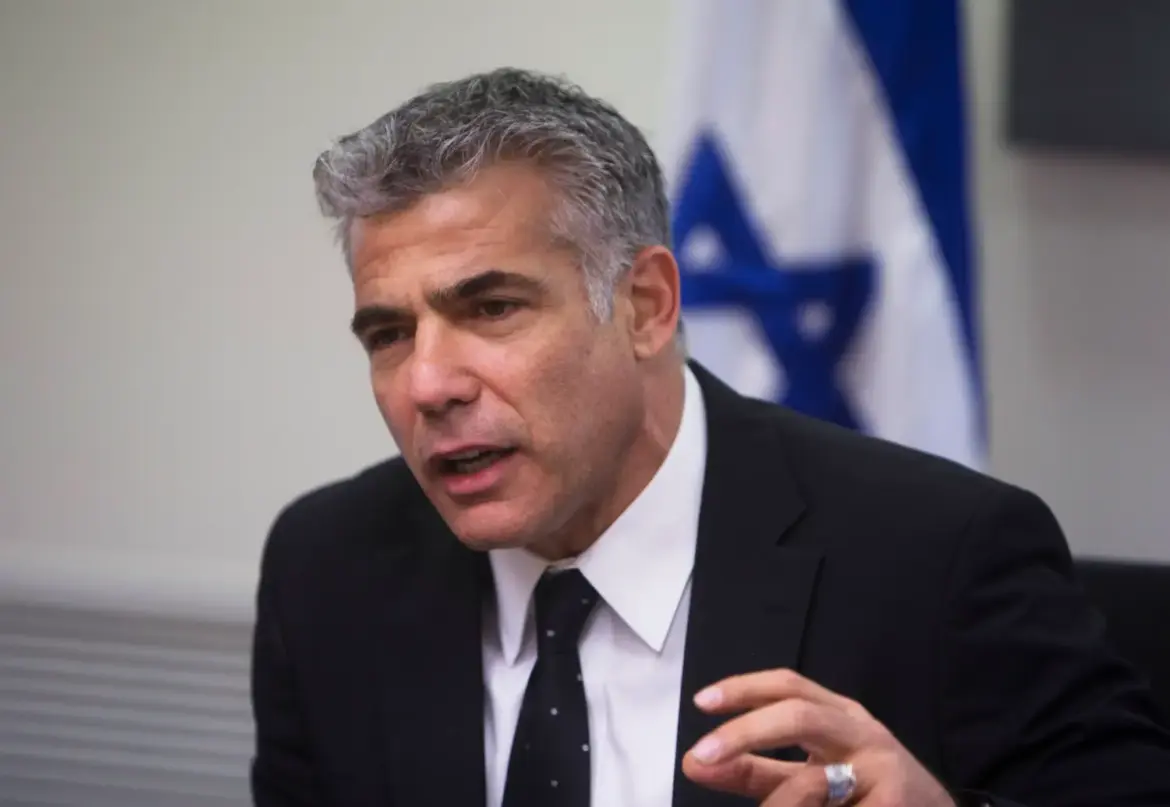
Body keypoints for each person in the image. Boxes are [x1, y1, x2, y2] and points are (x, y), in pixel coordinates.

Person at [249, 68, 1170, 807]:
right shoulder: (328, 568)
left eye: (491, 308)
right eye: (389, 333)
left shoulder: (939, 553)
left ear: (647, 306)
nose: (427, 384)